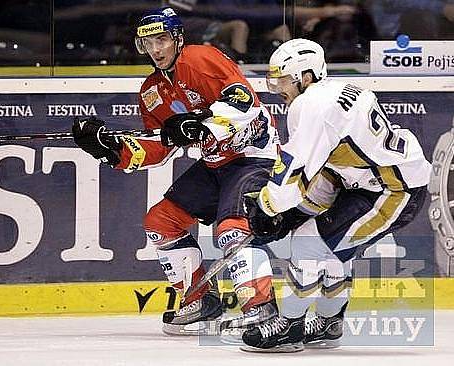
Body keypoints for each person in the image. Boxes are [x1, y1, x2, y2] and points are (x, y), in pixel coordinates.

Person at [71, 7, 282, 335]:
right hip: (214, 165)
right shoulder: (151, 92)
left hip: (252, 158)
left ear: (178, 39)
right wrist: (109, 149)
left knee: (231, 229)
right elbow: (157, 148)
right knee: (160, 223)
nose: (155, 49)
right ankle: (200, 299)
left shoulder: (200, 59)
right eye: (148, 43)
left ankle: (263, 311)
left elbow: (245, 102)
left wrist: (202, 125)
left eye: (162, 40)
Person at [239, 38, 431, 352]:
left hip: (393, 191)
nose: (279, 89)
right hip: (383, 182)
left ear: (306, 76)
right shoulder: (337, 91)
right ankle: (329, 323)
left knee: (308, 243)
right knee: (333, 250)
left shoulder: (311, 105)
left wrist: (267, 205)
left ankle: (289, 326)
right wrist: (297, 211)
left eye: (284, 80)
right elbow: (331, 168)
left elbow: (293, 168)